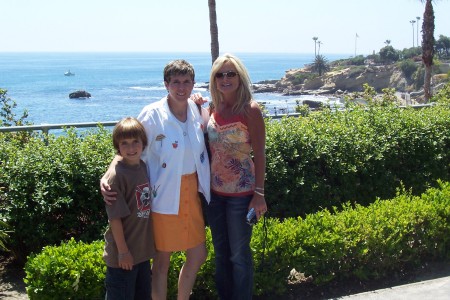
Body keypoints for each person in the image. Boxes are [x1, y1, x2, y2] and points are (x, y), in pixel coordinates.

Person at [101, 59, 211, 300]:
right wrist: (109, 172)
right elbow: (129, 143)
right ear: (166, 84)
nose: (181, 88)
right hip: (163, 197)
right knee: (162, 262)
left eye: (186, 82)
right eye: (175, 82)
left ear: (193, 84)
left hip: (192, 194)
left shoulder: (196, 109)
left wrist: (202, 103)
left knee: (197, 254)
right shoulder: (152, 114)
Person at [205, 53, 268, 300]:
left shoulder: (250, 110)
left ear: (240, 77)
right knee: (221, 253)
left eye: (231, 73)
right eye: (220, 74)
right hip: (215, 195)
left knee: (239, 256)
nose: (225, 78)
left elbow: (260, 155)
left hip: (241, 197)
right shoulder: (212, 107)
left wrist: (259, 195)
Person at [103, 117, 156, 300]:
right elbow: (115, 218)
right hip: (122, 257)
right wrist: (123, 252)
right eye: (124, 143)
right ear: (117, 146)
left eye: (135, 142)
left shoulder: (142, 166)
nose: (131, 148)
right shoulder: (116, 177)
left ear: (143, 144)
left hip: (141, 255)